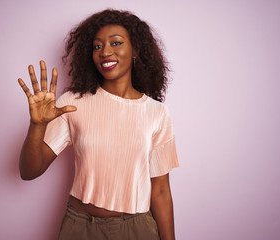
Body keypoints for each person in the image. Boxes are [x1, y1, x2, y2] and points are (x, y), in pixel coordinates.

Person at [18, 9, 179, 240]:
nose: (105, 52)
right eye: (97, 46)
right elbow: (29, 171)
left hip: (136, 230)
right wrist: (37, 125)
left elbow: (161, 190)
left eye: (116, 43)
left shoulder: (157, 113)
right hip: (80, 228)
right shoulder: (73, 103)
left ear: (135, 49)